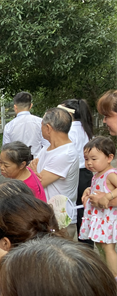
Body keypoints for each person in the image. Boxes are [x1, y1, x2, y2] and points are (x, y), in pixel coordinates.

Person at [31, 108, 80, 237]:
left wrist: (34, 172)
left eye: (41, 125)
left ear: (48, 128)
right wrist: (34, 173)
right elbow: (31, 172)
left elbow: (38, 183)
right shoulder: (46, 149)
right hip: (46, 216)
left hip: (60, 219)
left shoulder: (66, 153)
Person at [80, 137, 117, 276]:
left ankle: (114, 277)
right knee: (100, 247)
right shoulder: (97, 175)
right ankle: (106, 273)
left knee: (108, 248)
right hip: (100, 218)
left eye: (94, 159)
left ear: (109, 158)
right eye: (86, 159)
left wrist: (108, 196)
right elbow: (100, 187)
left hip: (107, 218)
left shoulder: (110, 174)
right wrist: (88, 190)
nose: (89, 163)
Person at [59, 99, 94, 245]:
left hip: (73, 173)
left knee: (71, 207)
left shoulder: (68, 131)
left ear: (69, 114)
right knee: (85, 209)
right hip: (87, 174)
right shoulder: (87, 130)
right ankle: (87, 244)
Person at [2, 91, 48, 157]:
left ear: (15, 107)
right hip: (37, 161)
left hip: (17, 161)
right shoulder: (41, 122)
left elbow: (6, 150)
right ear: (31, 106)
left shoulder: (9, 126)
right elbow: (47, 145)